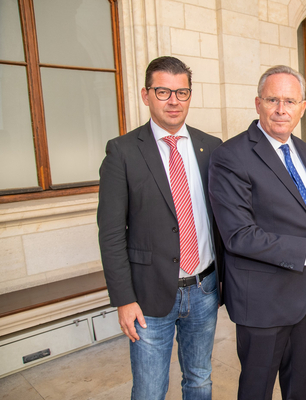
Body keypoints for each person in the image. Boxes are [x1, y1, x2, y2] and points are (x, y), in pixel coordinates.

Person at [208, 65, 306, 400]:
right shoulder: (231, 155)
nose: (281, 109)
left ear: (303, 107)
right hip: (262, 301)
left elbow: (299, 204)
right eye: (272, 100)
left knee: (298, 386)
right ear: (258, 103)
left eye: (290, 101)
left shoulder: (303, 149)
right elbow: (238, 234)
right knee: (257, 390)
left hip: (302, 292)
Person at [97, 56, 223, 400]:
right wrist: (124, 299)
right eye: (163, 91)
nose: (173, 101)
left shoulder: (211, 147)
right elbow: (111, 234)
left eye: (181, 92)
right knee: (150, 390)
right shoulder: (122, 151)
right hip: (148, 296)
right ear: (146, 95)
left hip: (204, 288)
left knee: (200, 379)